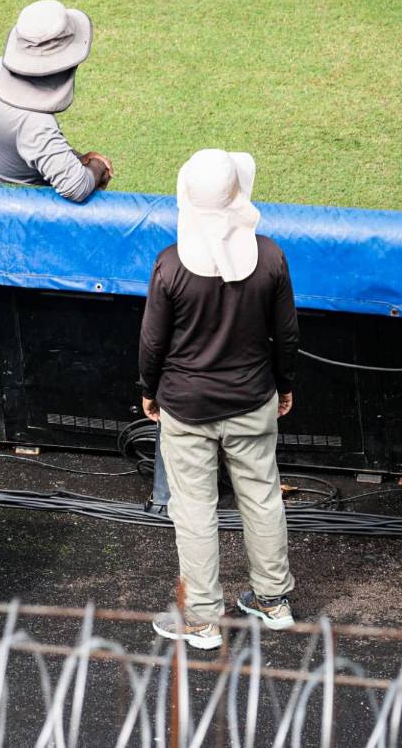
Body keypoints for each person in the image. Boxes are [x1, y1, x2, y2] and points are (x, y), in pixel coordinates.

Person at [139, 149, 299, 646]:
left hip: (186, 408)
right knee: (263, 497)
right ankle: (273, 601)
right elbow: (286, 335)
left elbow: (152, 343)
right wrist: (284, 385)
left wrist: (149, 391)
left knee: (194, 511)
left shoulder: (169, 266)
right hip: (253, 401)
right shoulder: (270, 256)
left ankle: (203, 621)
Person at [0, 0, 114, 202]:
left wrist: (77, 158)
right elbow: (76, 186)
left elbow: (22, 144)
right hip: (10, 217)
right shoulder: (35, 124)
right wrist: (97, 167)